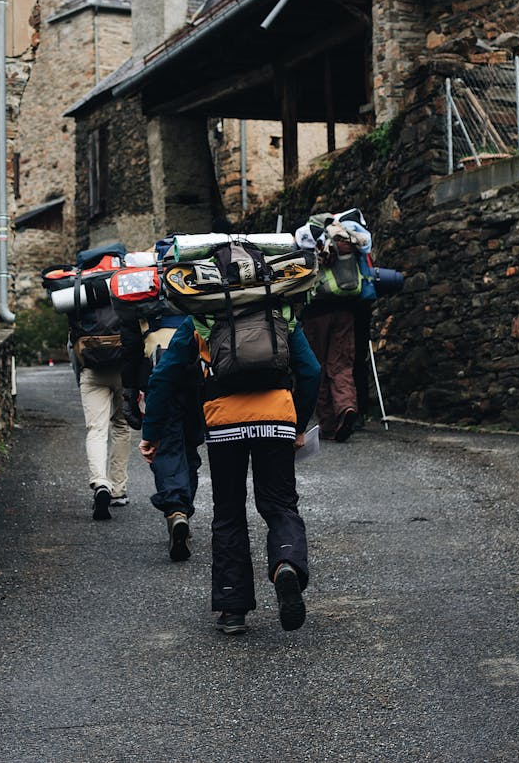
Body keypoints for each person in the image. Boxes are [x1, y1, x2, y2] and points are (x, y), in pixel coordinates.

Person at [139, 306, 320, 635]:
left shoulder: (202, 318)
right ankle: (285, 564)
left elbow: (165, 375)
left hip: (224, 424)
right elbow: (311, 370)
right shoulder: (279, 313)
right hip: (276, 417)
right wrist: (298, 423)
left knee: (228, 512)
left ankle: (232, 607)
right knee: (279, 505)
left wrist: (151, 432)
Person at [120, 309, 203, 560]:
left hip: (158, 372)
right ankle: (183, 511)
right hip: (199, 373)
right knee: (190, 446)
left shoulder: (145, 290)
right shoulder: (198, 285)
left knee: (167, 447)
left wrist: (129, 392)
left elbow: (131, 346)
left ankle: (176, 509)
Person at [296, 213, 372, 443]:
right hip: (345, 311)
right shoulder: (346, 235)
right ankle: (347, 408)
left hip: (316, 314)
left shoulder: (308, 235)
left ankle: (328, 425)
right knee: (341, 364)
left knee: (317, 366)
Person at [68, 296, 131, 521]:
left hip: (92, 369)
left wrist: (82, 377)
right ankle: (118, 490)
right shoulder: (123, 285)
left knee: (96, 430)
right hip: (123, 368)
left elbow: (72, 344)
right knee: (121, 426)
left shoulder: (82, 292)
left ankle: (100, 483)